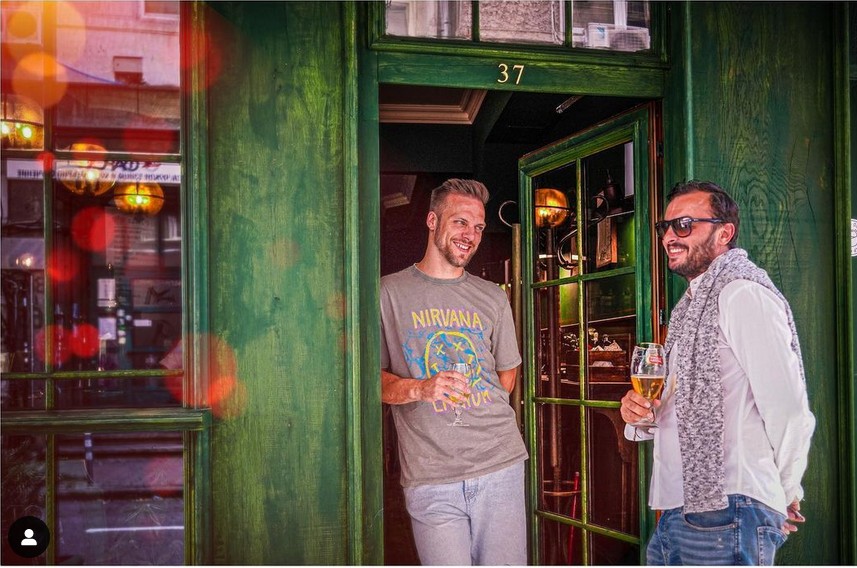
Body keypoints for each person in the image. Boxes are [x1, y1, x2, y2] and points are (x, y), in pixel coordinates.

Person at [620, 180, 816, 565]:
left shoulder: (741, 294)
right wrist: (638, 415)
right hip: (684, 509)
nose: (670, 237)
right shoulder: (690, 309)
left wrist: (783, 492)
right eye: (665, 227)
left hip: (730, 508)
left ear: (724, 233)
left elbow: (789, 411)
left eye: (684, 224)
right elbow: (679, 407)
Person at [381, 178, 528, 566]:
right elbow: (371, 381)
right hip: (431, 476)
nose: (471, 235)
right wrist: (421, 389)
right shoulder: (388, 293)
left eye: (478, 227)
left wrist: (474, 411)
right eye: (460, 222)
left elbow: (508, 373)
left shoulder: (492, 296)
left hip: (500, 464)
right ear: (432, 221)